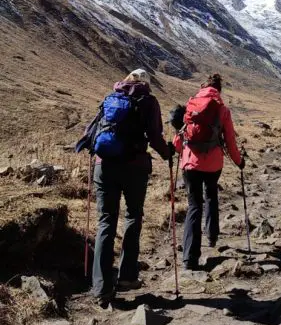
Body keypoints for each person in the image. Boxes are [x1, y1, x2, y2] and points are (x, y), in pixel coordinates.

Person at [84, 69, 172, 307]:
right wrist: (168, 153)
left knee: (106, 221)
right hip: (134, 167)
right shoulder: (148, 101)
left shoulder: (111, 96)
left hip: (104, 166)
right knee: (133, 217)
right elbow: (154, 136)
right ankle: (127, 277)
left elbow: (94, 129)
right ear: (146, 83)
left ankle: (101, 286)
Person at [173, 74, 244, 271]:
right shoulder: (222, 109)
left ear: (203, 87)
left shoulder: (191, 105)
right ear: (218, 90)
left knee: (194, 205)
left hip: (190, 163)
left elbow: (181, 133)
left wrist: (176, 148)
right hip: (213, 164)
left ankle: (189, 257)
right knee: (211, 195)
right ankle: (212, 236)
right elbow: (230, 140)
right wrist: (239, 162)